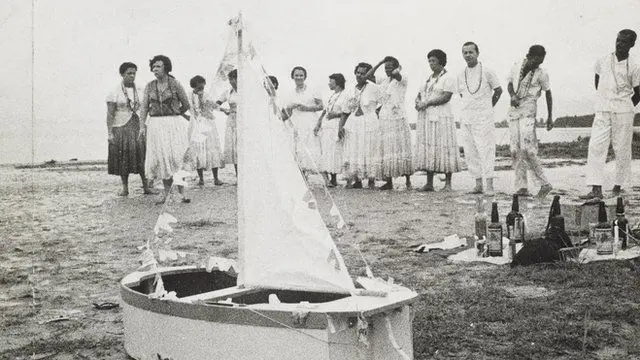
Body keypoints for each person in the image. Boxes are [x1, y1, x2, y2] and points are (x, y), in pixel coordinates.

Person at [581, 29, 640, 200]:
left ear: (632, 44)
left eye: (623, 41)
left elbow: (638, 92)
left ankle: (618, 185)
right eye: (618, 40)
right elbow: (598, 82)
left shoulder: (635, 65)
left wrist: (625, 106)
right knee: (595, 146)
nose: (619, 44)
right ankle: (595, 188)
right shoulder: (603, 60)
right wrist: (606, 100)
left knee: (621, 148)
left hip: (624, 111)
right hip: (603, 109)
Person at [139, 55, 192, 204]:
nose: (155, 69)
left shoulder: (175, 84)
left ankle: (182, 193)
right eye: (153, 67)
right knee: (162, 158)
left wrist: (176, 113)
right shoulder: (150, 86)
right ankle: (167, 193)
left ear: (166, 68)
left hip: (173, 124)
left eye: (158, 66)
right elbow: (144, 107)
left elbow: (186, 104)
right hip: (156, 124)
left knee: (177, 157)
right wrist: (142, 126)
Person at [506, 45, 554, 198]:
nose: (537, 64)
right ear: (529, 56)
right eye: (536, 60)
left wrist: (549, 116)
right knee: (515, 149)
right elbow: (509, 83)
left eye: (541, 61)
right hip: (514, 110)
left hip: (529, 111)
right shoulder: (516, 66)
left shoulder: (542, 73)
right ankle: (522, 187)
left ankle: (544, 184)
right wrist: (512, 95)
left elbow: (548, 93)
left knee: (528, 149)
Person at [456, 42, 503, 194]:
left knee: (486, 150)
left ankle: (489, 185)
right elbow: (463, 95)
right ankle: (478, 184)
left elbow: (498, 90)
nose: (468, 55)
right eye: (465, 52)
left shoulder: (487, 71)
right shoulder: (460, 74)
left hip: (484, 118)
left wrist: (488, 108)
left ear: (477, 53)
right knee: (470, 152)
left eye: (471, 52)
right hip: (467, 118)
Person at [414, 49, 461, 191]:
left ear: (440, 61)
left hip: (441, 116)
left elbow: (446, 97)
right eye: (429, 61)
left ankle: (448, 183)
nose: (431, 64)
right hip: (427, 116)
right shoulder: (428, 79)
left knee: (444, 145)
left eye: (433, 61)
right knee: (429, 147)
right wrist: (417, 101)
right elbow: (420, 93)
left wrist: (427, 103)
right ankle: (429, 183)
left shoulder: (448, 78)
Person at [106, 62, 154, 196]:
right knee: (123, 157)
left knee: (142, 154)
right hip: (121, 126)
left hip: (137, 124)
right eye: (129, 73)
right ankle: (125, 188)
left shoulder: (141, 89)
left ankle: (146, 187)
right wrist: (110, 132)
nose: (132, 76)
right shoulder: (114, 91)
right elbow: (110, 114)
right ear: (122, 74)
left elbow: (147, 107)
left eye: (134, 73)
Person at [366, 56, 412, 190]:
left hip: (397, 115)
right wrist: (380, 62)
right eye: (386, 67)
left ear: (396, 67)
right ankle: (389, 181)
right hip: (385, 115)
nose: (387, 70)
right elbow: (369, 76)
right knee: (386, 147)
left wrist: (397, 68)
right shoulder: (384, 81)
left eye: (390, 67)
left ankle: (408, 180)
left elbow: (397, 74)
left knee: (401, 145)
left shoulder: (402, 79)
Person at [343, 62, 382, 189]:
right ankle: (357, 179)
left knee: (369, 148)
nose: (359, 75)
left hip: (369, 121)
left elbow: (383, 102)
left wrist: (375, 112)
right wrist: (341, 126)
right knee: (355, 149)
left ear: (368, 74)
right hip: (354, 122)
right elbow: (346, 109)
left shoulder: (374, 88)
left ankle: (371, 179)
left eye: (363, 73)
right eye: (358, 72)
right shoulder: (350, 89)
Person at [283, 66, 324, 176]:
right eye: (296, 75)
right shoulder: (290, 93)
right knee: (297, 146)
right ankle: (301, 175)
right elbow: (288, 112)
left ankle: (319, 175)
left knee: (310, 145)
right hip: (296, 121)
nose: (299, 77)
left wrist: (307, 108)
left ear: (305, 76)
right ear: (292, 76)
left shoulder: (312, 90)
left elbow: (321, 106)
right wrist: (290, 107)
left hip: (309, 120)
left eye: (301, 75)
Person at [314, 73, 349, 187]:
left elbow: (346, 112)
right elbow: (325, 111)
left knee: (334, 151)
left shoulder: (344, 95)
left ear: (337, 82)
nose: (329, 83)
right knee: (326, 151)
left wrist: (336, 115)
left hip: (336, 125)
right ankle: (326, 179)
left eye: (331, 81)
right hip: (327, 126)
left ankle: (333, 178)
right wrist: (318, 123)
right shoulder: (332, 95)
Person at [189, 75, 224, 186]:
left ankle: (216, 178)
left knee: (212, 148)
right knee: (198, 150)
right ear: (193, 87)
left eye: (202, 88)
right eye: (198, 88)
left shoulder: (206, 95)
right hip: (196, 124)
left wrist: (223, 110)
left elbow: (213, 105)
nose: (201, 90)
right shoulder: (189, 96)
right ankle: (201, 179)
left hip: (208, 124)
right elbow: (186, 108)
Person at [215, 69, 239, 176]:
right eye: (230, 79)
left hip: (244, 121)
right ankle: (238, 175)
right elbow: (215, 104)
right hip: (232, 119)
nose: (231, 81)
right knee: (234, 147)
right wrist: (224, 110)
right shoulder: (228, 92)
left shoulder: (246, 92)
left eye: (233, 79)